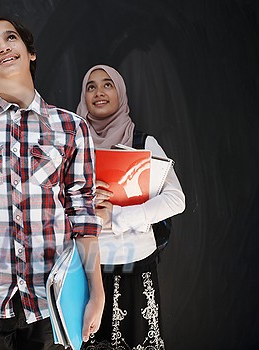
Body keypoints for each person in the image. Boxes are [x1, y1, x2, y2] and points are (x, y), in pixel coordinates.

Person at [0, 16, 105, 350]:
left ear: (30, 52)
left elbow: (83, 212)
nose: (3, 47)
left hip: (50, 302)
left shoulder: (71, 128)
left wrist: (96, 292)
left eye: (10, 38)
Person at [76, 64, 186, 349]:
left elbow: (176, 200)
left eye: (107, 85)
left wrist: (117, 216)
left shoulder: (142, 143)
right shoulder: (73, 146)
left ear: (120, 93)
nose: (99, 92)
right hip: (86, 269)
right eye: (91, 86)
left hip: (135, 268)